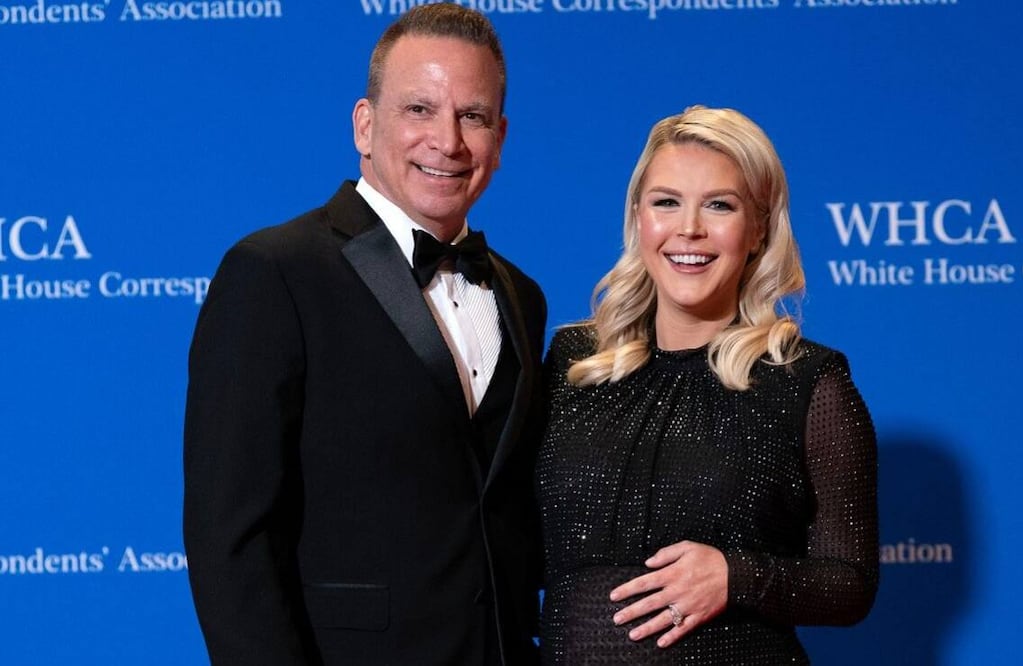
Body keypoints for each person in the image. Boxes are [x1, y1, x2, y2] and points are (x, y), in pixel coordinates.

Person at [182, 5, 546, 665]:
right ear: (365, 124)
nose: (448, 141)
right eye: (419, 110)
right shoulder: (275, 272)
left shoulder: (521, 296)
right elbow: (228, 538)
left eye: (473, 116)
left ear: (501, 134)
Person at [536, 106, 878, 664]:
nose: (688, 229)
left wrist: (735, 575)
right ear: (638, 217)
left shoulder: (807, 382)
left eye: (719, 205)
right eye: (666, 202)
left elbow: (852, 584)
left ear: (758, 230)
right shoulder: (577, 364)